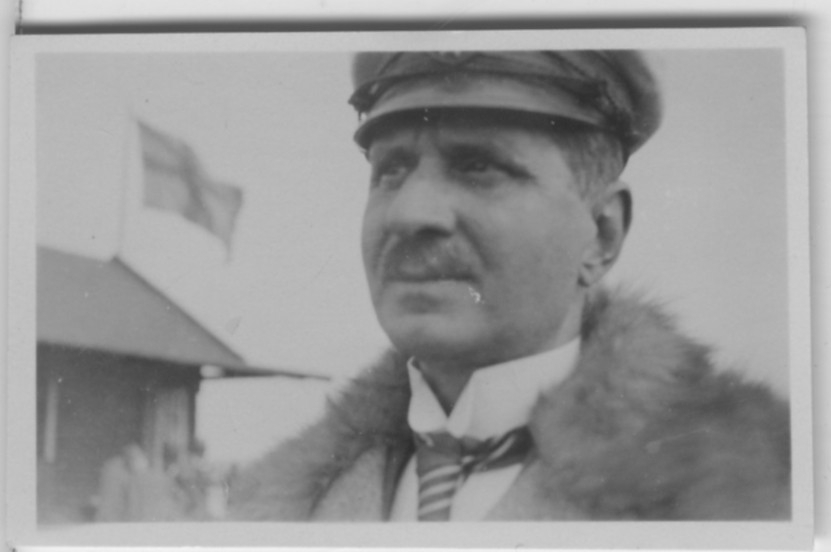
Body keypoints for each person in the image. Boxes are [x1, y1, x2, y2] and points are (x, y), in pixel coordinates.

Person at [229, 50, 790, 521]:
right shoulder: (276, 509)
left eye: (479, 166)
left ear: (601, 234)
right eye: (391, 170)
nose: (409, 214)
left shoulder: (755, 491)